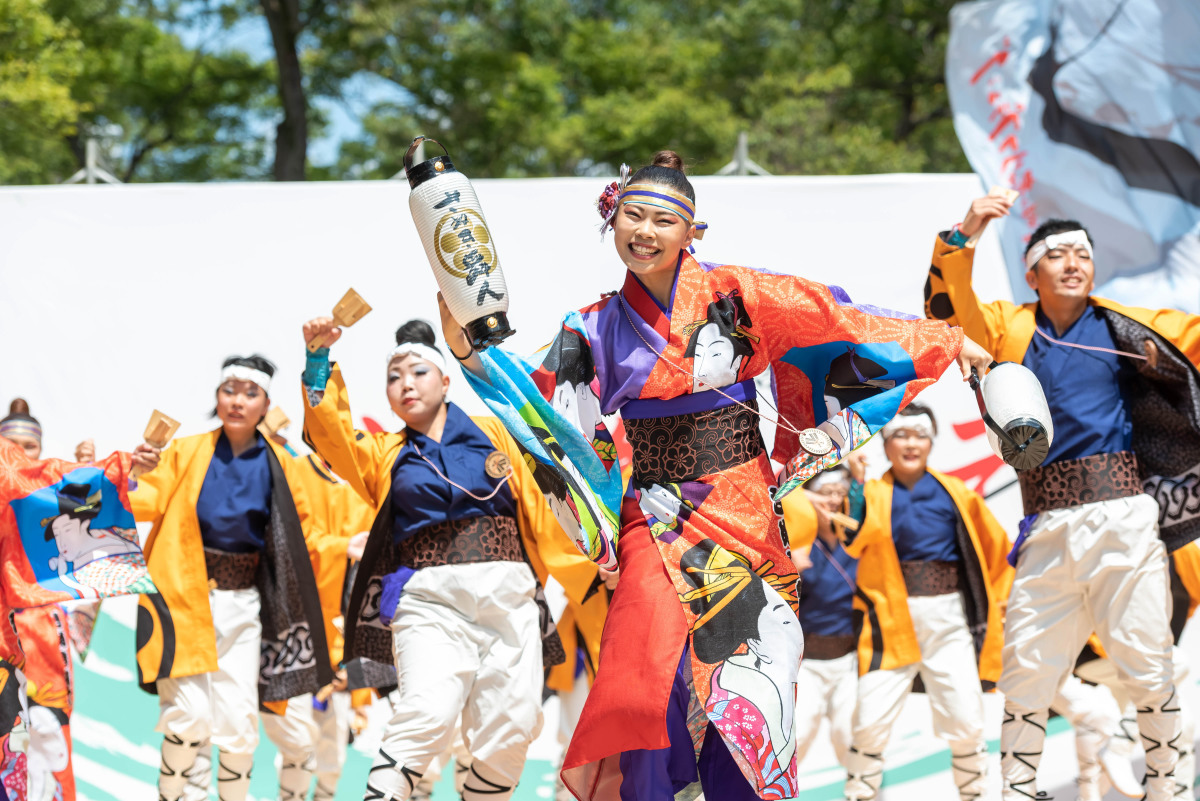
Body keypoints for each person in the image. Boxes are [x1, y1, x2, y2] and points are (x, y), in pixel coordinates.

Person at [439, 150, 992, 800]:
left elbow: (841, 320)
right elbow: (544, 410)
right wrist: (470, 349)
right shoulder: (591, 327)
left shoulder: (739, 295)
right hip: (657, 521)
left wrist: (948, 340)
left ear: (688, 230)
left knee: (752, 696)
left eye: (660, 220)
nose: (643, 231)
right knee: (643, 688)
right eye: (631, 216)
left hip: (746, 517)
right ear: (611, 222)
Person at [925, 194, 1200, 799]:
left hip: (1122, 516)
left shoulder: (1132, 327)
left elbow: (1195, 345)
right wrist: (965, 231)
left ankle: (1168, 790)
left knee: (1147, 664)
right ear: (1032, 273)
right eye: (1057, 254)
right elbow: (946, 314)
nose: (1073, 262)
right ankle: (1019, 791)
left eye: (1082, 253)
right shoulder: (1008, 327)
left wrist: (1166, 366)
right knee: (1025, 671)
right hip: (1045, 524)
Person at [299, 318, 604, 801]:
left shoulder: (495, 433)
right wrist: (318, 362)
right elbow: (332, 437)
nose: (405, 384)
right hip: (429, 602)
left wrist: (594, 567)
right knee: (425, 711)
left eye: (418, 372)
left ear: (445, 380)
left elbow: (548, 500)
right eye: (394, 377)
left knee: (513, 726)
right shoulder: (385, 453)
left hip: (509, 596)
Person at [130, 355, 333, 801]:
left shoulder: (283, 463)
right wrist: (130, 474)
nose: (237, 401)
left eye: (250, 393)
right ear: (217, 397)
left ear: (266, 403)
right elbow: (140, 501)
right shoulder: (186, 452)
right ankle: (169, 795)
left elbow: (308, 533)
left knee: (240, 723)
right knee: (189, 717)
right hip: (185, 599)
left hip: (245, 606)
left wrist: (354, 546)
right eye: (229, 390)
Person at [838, 404, 1011, 801]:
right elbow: (853, 540)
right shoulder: (873, 490)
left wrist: (1004, 607)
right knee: (869, 718)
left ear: (931, 440)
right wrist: (856, 486)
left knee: (967, 716)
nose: (911, 444)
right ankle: (859, 793)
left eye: (919, 435)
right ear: (886, 441)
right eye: (901, 435)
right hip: (889, 620)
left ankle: (975, 793)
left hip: (948, 618)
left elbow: (996, 551)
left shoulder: (956, 492)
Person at [0, 407, 160, 800]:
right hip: (9, 641)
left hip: (40, 641)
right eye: (11, 448)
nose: (19, 454)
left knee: (45, 746)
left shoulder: (39, 506)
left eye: (29, 447)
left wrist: (103, 473)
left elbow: (87, 586)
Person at [789, 466, 859, 772]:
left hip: (849, 660)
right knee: (798, 736)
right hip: (808, 664)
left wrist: (856, 478)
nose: (833, 501)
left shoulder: (857, 541)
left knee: (852, 737)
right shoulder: (798, 546)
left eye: (839, 494)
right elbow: (786, 494)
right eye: (825, 494)